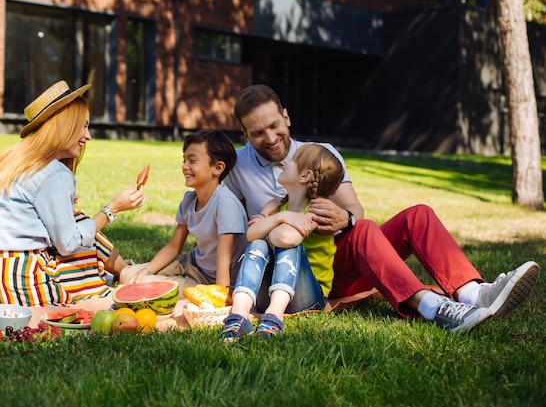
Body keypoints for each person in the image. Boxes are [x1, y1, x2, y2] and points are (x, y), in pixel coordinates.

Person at [224, 84, 540, 333]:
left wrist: (344, 219)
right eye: (257, 133)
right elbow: (230, 228)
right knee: (361, 230)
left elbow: (355, 211)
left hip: (336, 257)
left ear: (286, 117)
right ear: (244, 134)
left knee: (415, 215)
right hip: (295, 272)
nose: (270, 138)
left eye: (274, 125)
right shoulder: (237, 167)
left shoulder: (321, 154)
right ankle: (431, 306)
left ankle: (473, 293)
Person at [0, 80, 145, 306]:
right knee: (83, 233)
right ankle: (128, 274)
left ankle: (126, 271)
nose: (88, 136)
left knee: (78, 219)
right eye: (83, 126)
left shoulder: (12, 160)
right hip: (18, 283)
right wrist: (112, 209)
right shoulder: (55, 173)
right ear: (65, 126)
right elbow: (68, 244)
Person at [219, 144, 344, 340]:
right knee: (258, 244)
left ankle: (273, 317)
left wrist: (267, 225)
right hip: (267, 294)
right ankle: (239, 314)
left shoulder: (317, 211)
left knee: (288, 245)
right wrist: (282, 217)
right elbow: (251, 235)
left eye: (293, 160)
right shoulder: (276, 205)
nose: (286, 162)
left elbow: (286, 238)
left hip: (308, 298)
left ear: (305, 176)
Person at [121, 130, 249, 293]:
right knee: (128, 275)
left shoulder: (226, 204)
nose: (184, 167)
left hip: (212, 280)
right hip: (193, 264)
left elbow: (224, 260)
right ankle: (152, 277)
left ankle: (167, 284)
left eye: (192, 161)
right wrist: (145, 271)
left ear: (217, 167)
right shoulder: (189, 200)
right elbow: (173, 247)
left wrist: (219, 297)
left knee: (142, 286)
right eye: (184, 160)